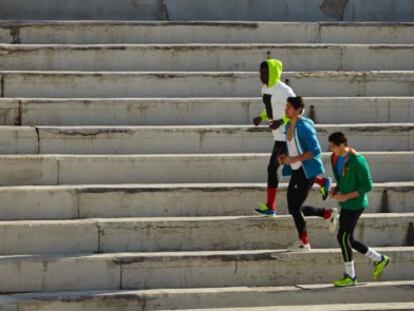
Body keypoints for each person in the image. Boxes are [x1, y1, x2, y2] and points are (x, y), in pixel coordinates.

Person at [253, 60, 330, 217]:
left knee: (272, 167)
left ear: (274, 72)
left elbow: (297, 110)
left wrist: (281, 121)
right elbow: (270, 108)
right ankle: (322, 181)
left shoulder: (284, 90)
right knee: (294, 168)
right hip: (277, 134)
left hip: (286, 135)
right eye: (261, 72)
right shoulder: (264, 89)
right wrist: (261, 117)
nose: (262, 75)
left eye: (266, 72)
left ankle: (270, 207)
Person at [328, 131, 390, 287]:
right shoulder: (335, 158)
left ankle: (351, 276)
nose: (331, 149)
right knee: (349, 240)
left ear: (342, 146)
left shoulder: (358, 160)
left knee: (342, 237)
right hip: (346, 204)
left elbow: (368, 186)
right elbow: (342, 179)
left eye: (333, 146)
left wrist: (346, 196)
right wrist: (336, 190)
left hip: (356, 205)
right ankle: (379, 259)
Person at [278, 96, 337, 251]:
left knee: (295, 209)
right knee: (294, 208)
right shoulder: (287, 126)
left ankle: (304, 243)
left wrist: (294, 158)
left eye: (289, 107)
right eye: (286, 106)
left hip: (306, 172)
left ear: (298, 110)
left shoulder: (304, 126)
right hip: (297, 171)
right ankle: (327, 213)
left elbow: (315, 150)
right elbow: (291, 147)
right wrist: (284, 157)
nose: (286, 109)